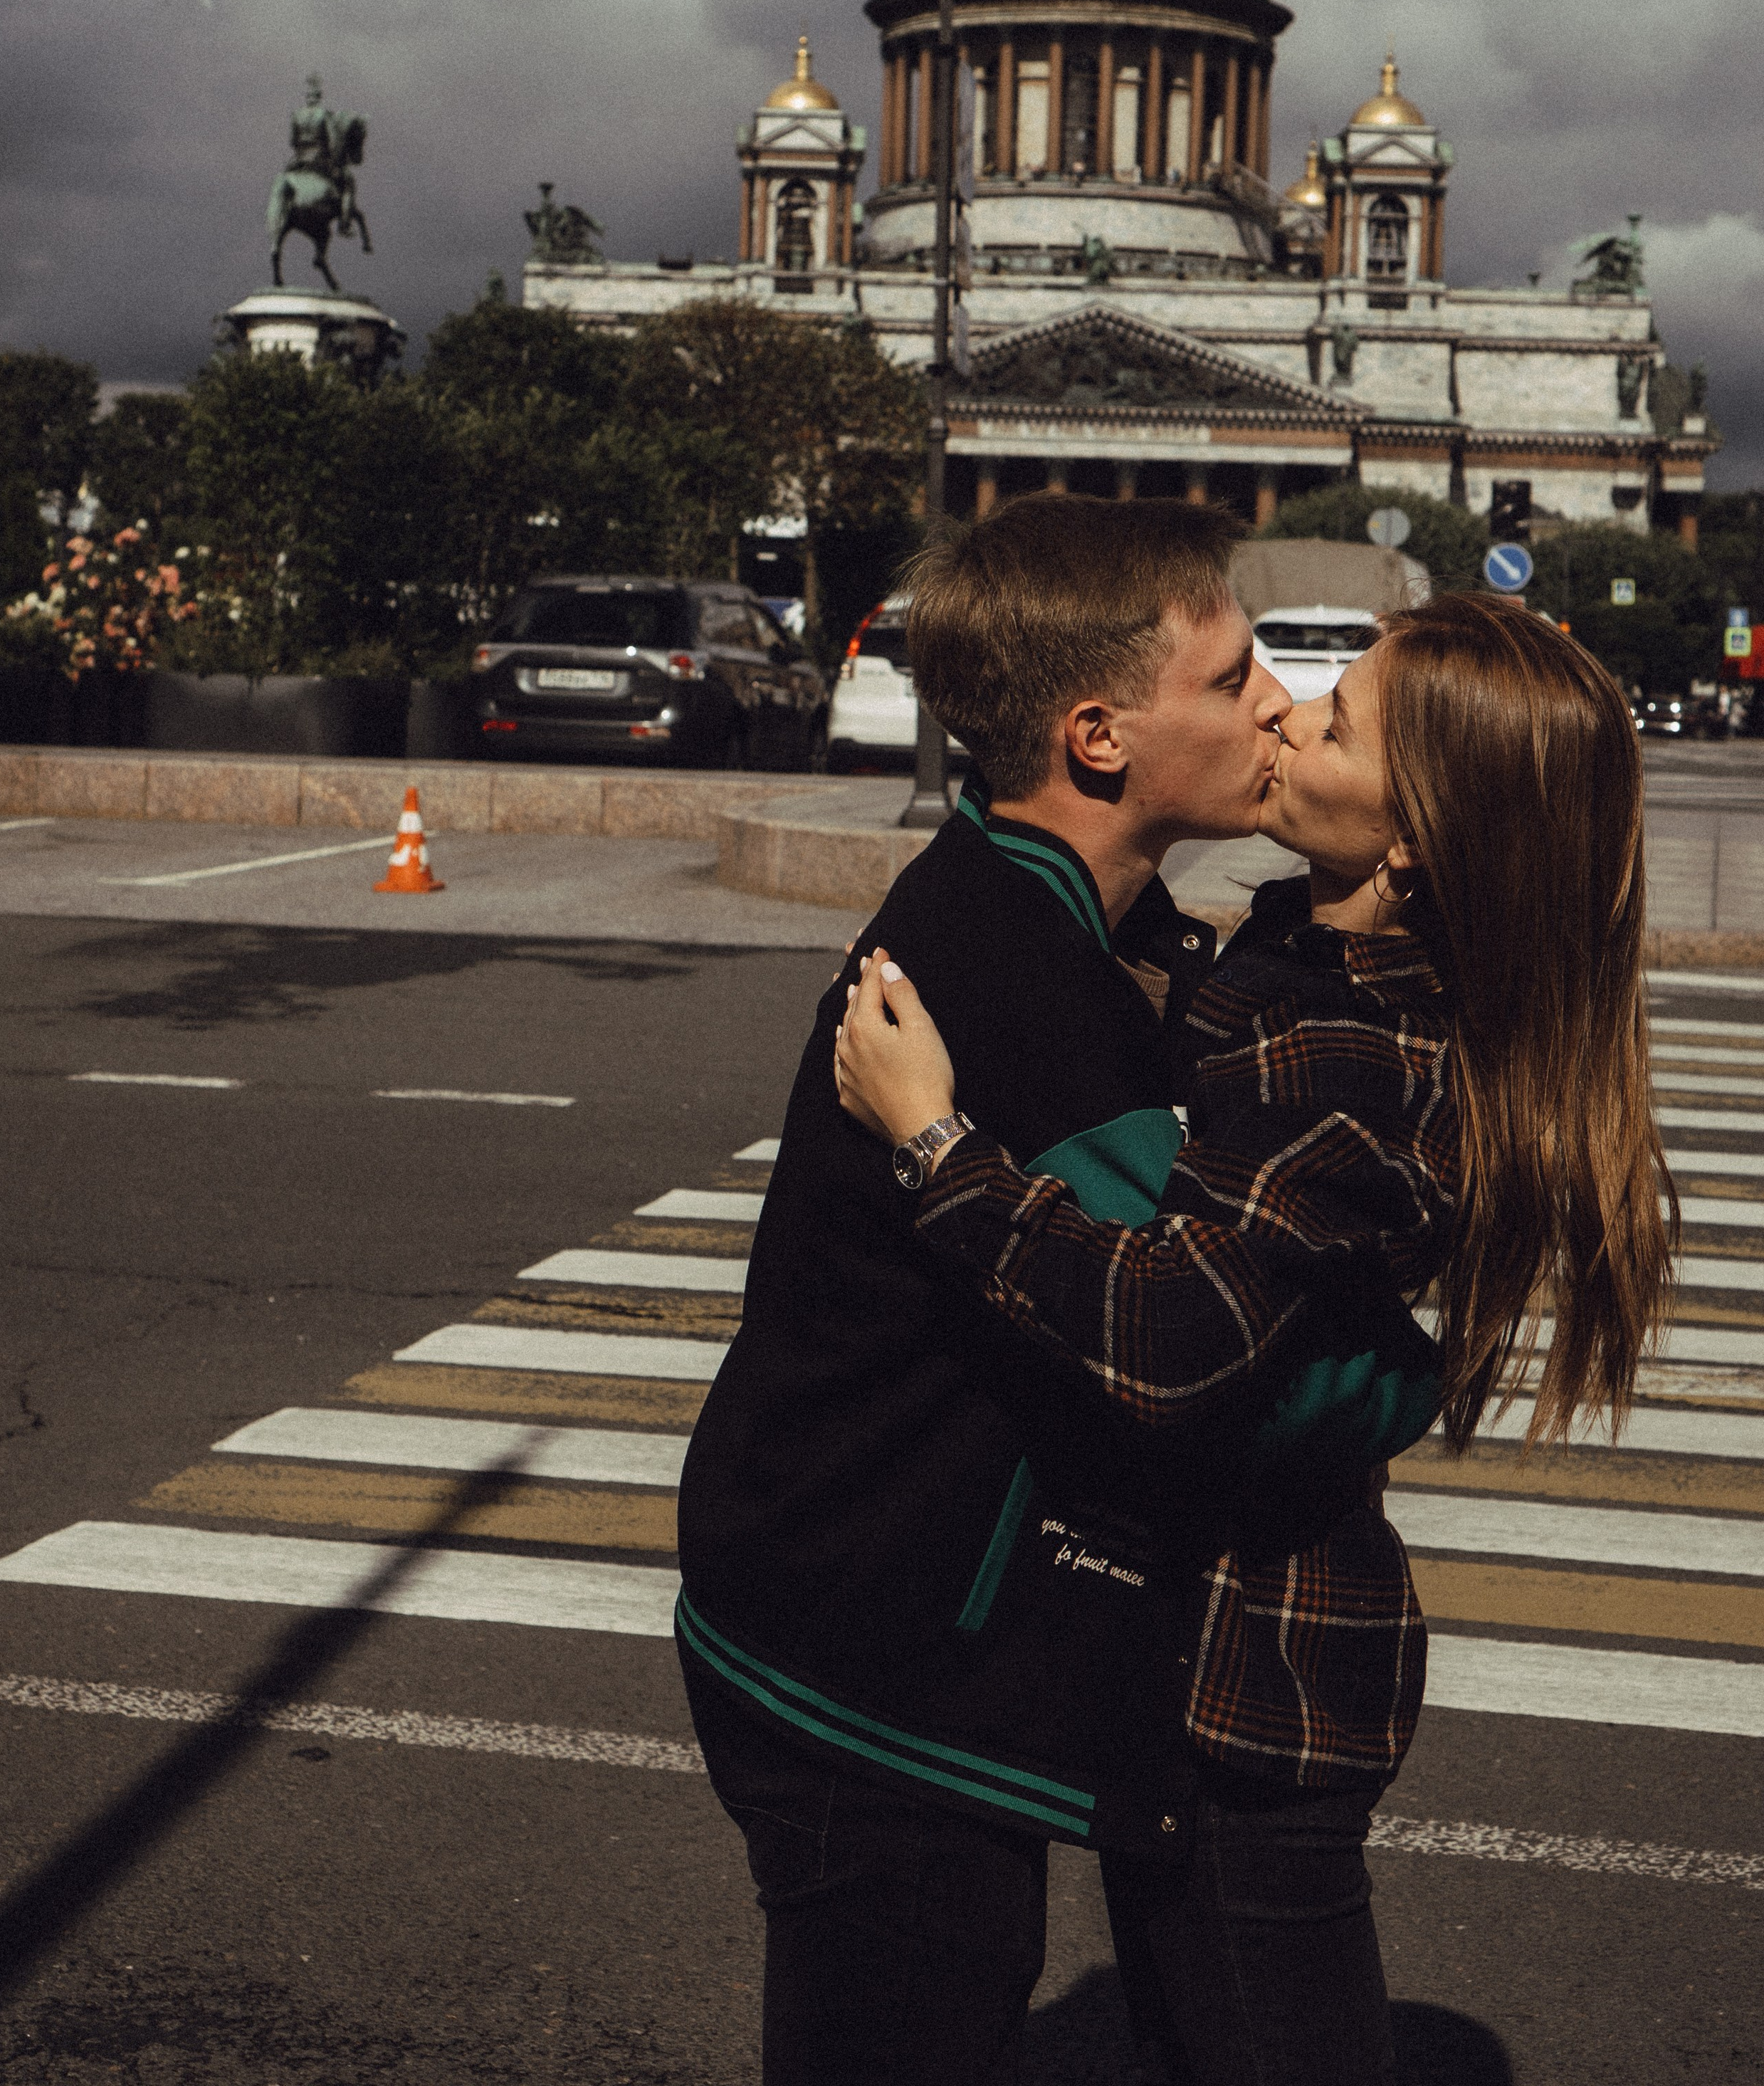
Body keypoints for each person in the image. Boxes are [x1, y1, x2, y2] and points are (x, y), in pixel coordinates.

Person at [835, 592, 1677, 2084]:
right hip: (1201, 1657)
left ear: (1411, 844)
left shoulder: (1351, 1053)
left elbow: (1171, 1332)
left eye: (1336, 724)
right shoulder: (1309, 954)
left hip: (1252, 1685)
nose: (1287, 711)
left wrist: (935, 1148)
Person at [676, 496, 1437, 2086]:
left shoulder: (1078, 922)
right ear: (1099, 737)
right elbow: (1232, 1368)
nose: (1276, 708)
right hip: (870, 1655)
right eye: (1231, 679)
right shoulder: (1017, 982)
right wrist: (1396, 1367)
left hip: (885, 1613)